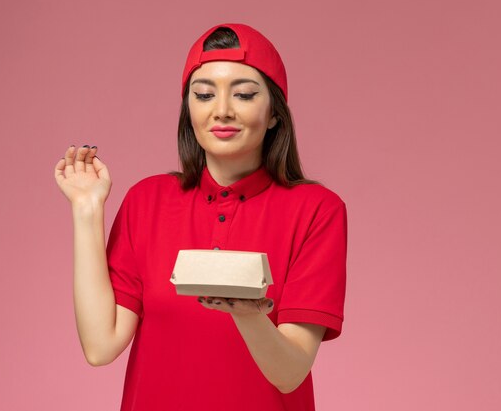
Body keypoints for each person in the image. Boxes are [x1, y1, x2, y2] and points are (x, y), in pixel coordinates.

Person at [54, 23, 347, 411]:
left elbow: (289, 371)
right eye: (204, 94)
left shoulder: (317, 210)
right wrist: (87, 210)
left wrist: (245, 312)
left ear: (275, 112)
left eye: (243, 94)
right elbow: (100, 345)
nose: (221, 110)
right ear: (188, 108)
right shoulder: (147, 201)